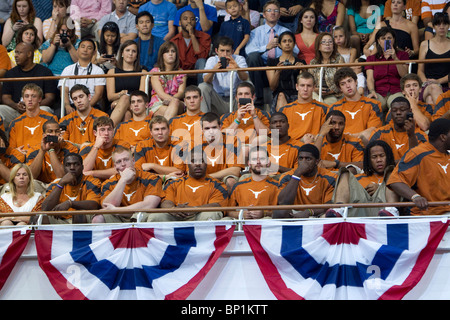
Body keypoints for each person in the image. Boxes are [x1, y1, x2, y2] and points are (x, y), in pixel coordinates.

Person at [387, 118, 450, 215]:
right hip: (427, 216)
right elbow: (396, 181)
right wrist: (415, 197)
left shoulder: (447, 155)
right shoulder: (418, 153)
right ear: (443, 137)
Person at [147, 146, 228, 222]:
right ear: (187, 163)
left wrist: (194, 209)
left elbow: (217, 205)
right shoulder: (173, 183)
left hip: (200, 216)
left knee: (211, 214)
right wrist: (173, 209)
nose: (197, 164)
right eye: (193, 161)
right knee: (155, 217)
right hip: (177, 216)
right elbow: (166, 202)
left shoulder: (218, 185)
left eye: (201, 161)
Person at [245, 0, 299, 107]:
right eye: (269, 10)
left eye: (275, 11)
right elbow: (248, 51)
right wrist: (266, 47)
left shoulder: (285, 31)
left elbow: (296, 50)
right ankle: (259, 98)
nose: (272, 13)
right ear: (264, 14)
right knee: (253, 57)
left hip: (279, 67)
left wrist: (283, 46)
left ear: (279, 15)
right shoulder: (256, 32)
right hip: (261, 69)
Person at [328, 139, 400, 217]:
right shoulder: (358, 178)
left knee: (391, 171)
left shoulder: (397, 175)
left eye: (382, 156)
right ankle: (339, 209)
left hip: (385, 210)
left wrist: (380, 188)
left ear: (388, 157)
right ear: (369, 160)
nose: (379, 160)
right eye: (374, 157)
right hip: (361, 212)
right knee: (345, 172)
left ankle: (392, 210)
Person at [93, 146, 163, 223]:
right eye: (119, 161)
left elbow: (149, 205)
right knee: (98, 218)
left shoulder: (151, 178)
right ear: (115, 166)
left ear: (133, 160)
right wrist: (123, 180)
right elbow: (107, 206)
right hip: (119, 218)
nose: (123, 164)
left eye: (126, 160)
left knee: (152, 217)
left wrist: (117, 210)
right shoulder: (108, 183)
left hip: (141, 216)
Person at [0, 43, 57, 127]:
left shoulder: (45, 72)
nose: (16, 55)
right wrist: (16, 106)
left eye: (19, 53)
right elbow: (5, 97)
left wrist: (33, 106)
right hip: (16, 110)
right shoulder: (10, 73)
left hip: (38, 108)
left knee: (46, 110)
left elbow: (50, 97)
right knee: (0, 109)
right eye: (16, 52)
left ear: (29, 54)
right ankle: (4, 140)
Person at [273, 144, 337, 218]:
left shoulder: (330, 177)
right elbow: (283, 202)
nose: (303, 162)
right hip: (294, 213)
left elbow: (330, 204)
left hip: (317, 213)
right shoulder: (287, 176)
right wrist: (297, 175)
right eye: (301, 158)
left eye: (308, 159)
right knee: (279, 211)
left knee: (330, 214)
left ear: (317, 161)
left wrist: (309, 212)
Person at [40, 153, 102, 224]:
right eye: (68, 165)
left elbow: (94, 205)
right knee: (39, 218)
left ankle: (79, 235)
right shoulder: (56, 184)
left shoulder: (92, 182)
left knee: (79, 215)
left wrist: (70, 203)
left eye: (76, 164)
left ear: (82, 167)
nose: (72, 167)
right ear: (64, 168)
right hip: (61, 221)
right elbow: (45, 208)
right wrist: (61, 183)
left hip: (83, 220)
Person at [329, 67, 383, 145]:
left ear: (356, 82)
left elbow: (373, 130)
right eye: (343, 84)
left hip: (363, 146)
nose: (348, 86)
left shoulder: (373, 104)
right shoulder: (334, 108)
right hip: (341, 148)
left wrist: (350, 137)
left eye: (349, 81)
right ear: (340, 88)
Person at [199, 36, 249, 116]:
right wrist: (213, 71)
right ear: (216, 51)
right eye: (222, 50)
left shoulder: (239, 59)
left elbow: (245, 78)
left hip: (235, 99)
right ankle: (205, 121)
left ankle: (247, 119)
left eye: (228, 51)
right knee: (203, 87)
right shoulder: (212, 60)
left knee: (249, 85)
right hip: (218, 100)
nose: (225, 54)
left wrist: (237, 68)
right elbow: (206, 80)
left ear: (232, 51)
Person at [226, 146, 279, 219]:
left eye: (262, 159)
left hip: (266, 225)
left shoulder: (277, 186)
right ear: (249, 163)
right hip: (243, 225)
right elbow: (229, 212)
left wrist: (264, 213)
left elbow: (284, 211)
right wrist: (241, 214)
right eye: (254, 159)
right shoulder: (238, 186)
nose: (258, 162)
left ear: (268, 162)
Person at [6, 83, 58, 158]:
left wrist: (32, 151)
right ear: (23, 99)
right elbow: (11, 149)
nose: (30, 99)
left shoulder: (50, 119)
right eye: (26, 96)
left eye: (33, 96)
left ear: (40, 99)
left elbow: (54, 144)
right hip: (22, 159)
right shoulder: (15, 123)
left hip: (44, 157)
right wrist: (17, 151)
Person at [369, 97, 427, 161]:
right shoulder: (379, 133)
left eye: (402, 109)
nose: (398, 113)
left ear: (410, 112)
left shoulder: (421, 136)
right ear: (390, 113)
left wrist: (411, 135)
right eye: (394, 110)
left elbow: (419, 162)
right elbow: (372, 161)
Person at [58, 38, 106, 116]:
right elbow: (64, 91)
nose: (85, 50)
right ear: (77, 50)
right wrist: (67, 106)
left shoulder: (98, 71)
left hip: (91, 105)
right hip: (71, 105)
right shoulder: (68, 69)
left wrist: (87, 107)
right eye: (83, 47)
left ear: (94, 52)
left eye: (89, 48)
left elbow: (98, 94)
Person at [365, 27, 409, 111]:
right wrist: (372, 91)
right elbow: (370, 78)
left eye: (389, 38)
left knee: (397, 106)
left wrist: (395, 58)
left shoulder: (402, 55)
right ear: (378, 41)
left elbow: (404, 75)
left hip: (396, 91)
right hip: (379, 92)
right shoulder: (371, 58)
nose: (386, 41)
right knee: (371, 106)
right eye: (383, 38)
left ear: (393, 40)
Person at [278, 71, 328, 142]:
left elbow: (327, 135)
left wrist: (315, 137)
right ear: (297, 87)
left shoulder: (324, 108)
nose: (305, 89)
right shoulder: (284, 110)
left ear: (314, 88)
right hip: (290, 148)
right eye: (302, 85)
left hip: (312, 147)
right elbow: (275, 135)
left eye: (309, 86)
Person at [107, 40, 147, 126]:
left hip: (136, 106)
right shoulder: (112, 72)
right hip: (116, 108)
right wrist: (121, 96)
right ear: (122, 53)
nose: (130, 53)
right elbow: (110, 96)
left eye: (134, 51)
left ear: (137, 55)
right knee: (127, 114)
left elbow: (141, 95)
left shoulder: (142, 72)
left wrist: (121, 99)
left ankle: (107, 129)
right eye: (127, 50)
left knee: (125, 98)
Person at [26, 119, 78, 184]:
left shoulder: (70, 149)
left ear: (60, 134)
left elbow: (62, 176)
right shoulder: (33, 150)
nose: (53, 134)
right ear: (43, 135)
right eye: (50, 131)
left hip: (61, 186)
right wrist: (42, 151)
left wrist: (51, 149)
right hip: (41, 186)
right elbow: (31, 176)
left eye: (57, 131)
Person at [80, 116, 131, 181]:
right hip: (93, 185)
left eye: (109, 129)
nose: (106, 133)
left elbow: (124, 168)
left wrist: (93, 173)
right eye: (102, 130)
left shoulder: (123, 145)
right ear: (95, 133)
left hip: (115, 183)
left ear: (113, 131)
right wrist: (96, 147)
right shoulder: (87, 148)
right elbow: (83, 170)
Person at [134, 115, 185, 180]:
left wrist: (152, 166)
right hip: (150, 184)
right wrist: (165, 176)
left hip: (173, 183)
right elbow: (139, 173)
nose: (160, 132)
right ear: (151, 132)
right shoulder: (141, 146)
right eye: (156, 129)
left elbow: (179, 171)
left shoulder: (178, 144)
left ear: (169, 130)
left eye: (163, 129)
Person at [220, 81, 270, 147]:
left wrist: (254, 116)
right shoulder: (226, 117)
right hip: (235, 150)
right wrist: (238, 119)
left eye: (246, 94)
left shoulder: (263, 114)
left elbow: (266, 135)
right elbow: (222, 136)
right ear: (236, 97)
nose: (243, 96)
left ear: (253, 97)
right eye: (240, 94)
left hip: (256, 151)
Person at [266, 30, 305, 112]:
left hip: (298, 94)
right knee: (281, 95)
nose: (287, 43)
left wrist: (303, 70)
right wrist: (278, 71)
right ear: (279, 45)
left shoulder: (301, 63)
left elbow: (305, 84)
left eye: (290, 41)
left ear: (294, 44)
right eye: (284, 41)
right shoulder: (272, 62)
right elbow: (272, 87)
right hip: (280, 95)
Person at [59, 84, 109, 149]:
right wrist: (81, 146)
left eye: (81, 96)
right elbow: (63, 143)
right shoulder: (65, 120)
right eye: (75, 99)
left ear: (89, 97)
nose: (78, 101)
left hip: (96, 154)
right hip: (72, 156)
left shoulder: (102, 117)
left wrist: (85, 146)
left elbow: (105, 141)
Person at [417, 12, 450, 106]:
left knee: (430, 100)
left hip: (447, 85)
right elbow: (420, 71)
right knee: (434, 88)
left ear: (448, 26)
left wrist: (439, 81)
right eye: (438, 24)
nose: (442, 27)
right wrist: (426, 83)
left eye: (445, 24)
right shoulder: (424, 44)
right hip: (427, 84)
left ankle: (438, 119)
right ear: (434, 27)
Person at [149, 41, 187, 121]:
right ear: (162, 55)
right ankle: (167, 128)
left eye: (173, 51)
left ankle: (164, 129)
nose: (170, 54)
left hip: (176, 102)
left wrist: (171, 100)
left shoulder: (181, 72)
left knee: (175, 103)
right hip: (159, 103)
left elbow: (181, 92)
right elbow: (161, 94)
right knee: (170, 111)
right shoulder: (155, 72)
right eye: (167, 51)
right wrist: (170, 101)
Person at [170, 10, 211, 84]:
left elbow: (202, 56)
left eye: (192, 19)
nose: (189, 21)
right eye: (185, 19)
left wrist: (192, 35)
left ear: (195, 22)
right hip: (180, 75)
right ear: (180, 23)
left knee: (201, 61)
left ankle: (202, 90)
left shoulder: (205, 37)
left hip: (198, 73)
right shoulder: (174, 41)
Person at [309, 32, 344, 105]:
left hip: (334, 94)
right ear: (318, 46)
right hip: (316, 92)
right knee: (315, 100)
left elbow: (342, 79)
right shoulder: (313, 62)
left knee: (328, 103)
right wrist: (315, 89)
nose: (327, 44)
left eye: (330, 42)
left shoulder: (339, 59)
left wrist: (331, 91)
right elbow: (310, 80)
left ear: (333, 45)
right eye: (323, 42)